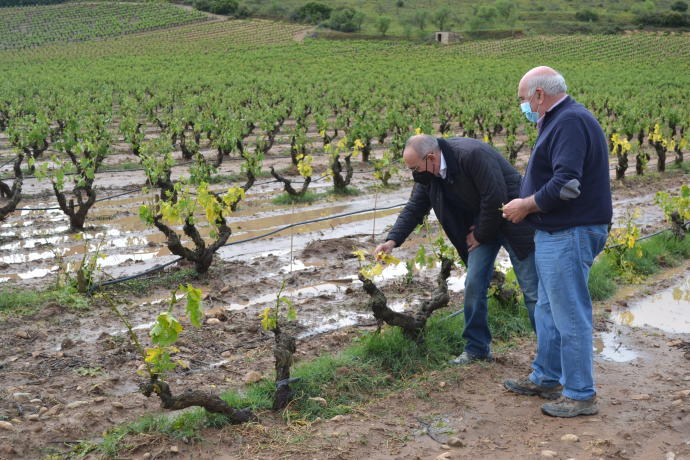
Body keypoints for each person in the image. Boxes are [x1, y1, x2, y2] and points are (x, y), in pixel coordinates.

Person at [502, 66, 612, 417]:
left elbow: (567, 183)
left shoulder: (569, 121)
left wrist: (527, 204)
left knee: (569, 314)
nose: (522, 106)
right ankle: (547, 376)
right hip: (557, 231)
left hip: (570, 231)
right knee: (548, 309)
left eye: (523, 99)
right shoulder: (559, 120)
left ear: (538, 94)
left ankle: (580, 394)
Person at [375, 134, 538, 364]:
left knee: (532, 290)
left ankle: (548, 354)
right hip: (481, 226)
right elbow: (414, 208)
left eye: (415, 167)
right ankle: (477, 348)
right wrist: (392, 241)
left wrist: (480, 234)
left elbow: (495, 197)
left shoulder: (471, 155)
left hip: (512, 219)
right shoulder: (429, 176)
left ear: (431, 157)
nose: (413, 173)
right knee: (473, 284)